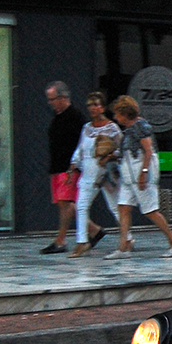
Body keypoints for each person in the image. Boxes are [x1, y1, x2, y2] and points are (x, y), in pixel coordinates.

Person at [106, 95, 172, 259]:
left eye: (117, 113)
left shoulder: (140, 126)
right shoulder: (129, 129)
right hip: (129, 177)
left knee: (151, 211)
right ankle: (123, 247)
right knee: (123, 208)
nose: (115, 117)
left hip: (140, 176)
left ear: (124, 113)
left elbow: (148, 151)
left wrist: (144, 173)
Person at [63, 92, 119, 257]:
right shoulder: (87, 128)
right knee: (81, 206)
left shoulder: (112, 128)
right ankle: (82, 242)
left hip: (105, 173)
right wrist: (72, 167)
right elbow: (80, 149)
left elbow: (120, 149)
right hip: (88, 171)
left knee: (115, 207)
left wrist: (109, 156)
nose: (93, 108)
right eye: (90, 105)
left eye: (96, 104)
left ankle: (127, 238)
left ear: (103, 107)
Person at [41, 81, 86, 254]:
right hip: (57, 166)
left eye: (52, 99)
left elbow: (81, 144)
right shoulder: (57, 116)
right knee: (64, 203)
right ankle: (94, 230)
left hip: (68, 167)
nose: (50, 103)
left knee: (65, 203)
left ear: (62, 98)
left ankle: (61, 240)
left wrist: (72, 167)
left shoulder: (74, 117)